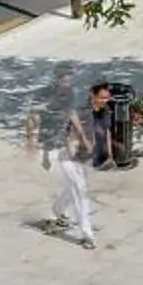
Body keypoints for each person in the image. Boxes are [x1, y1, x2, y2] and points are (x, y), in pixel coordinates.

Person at [27, 69, 99, 249]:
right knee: (79, 190)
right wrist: (44, 154)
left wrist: (84, 140)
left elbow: (75, 119)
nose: (67, 84)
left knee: (72, 186)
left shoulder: (71, 98)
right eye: (65, 81)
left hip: (79, 151)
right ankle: (87, 234)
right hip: (63, 153)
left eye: (69, 81)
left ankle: (58, 209)